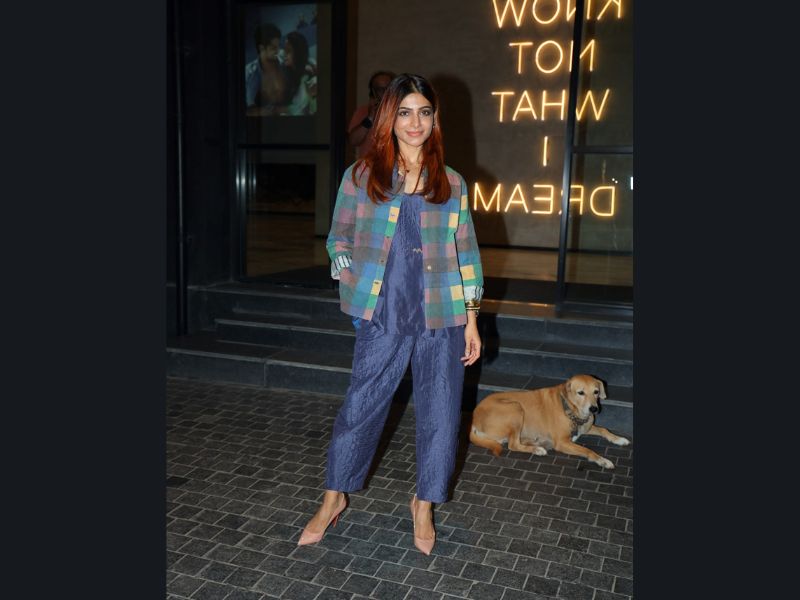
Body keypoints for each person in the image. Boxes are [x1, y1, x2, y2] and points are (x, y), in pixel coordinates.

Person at [298, 74, 484, 555]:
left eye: (424, 112)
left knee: (442, 413)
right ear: (389, 118)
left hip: (442, 314)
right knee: (360, 407)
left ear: (434, 119)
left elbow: (466, 254)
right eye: (404, 112)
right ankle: (333, 497)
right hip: (384, 312)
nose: (415, 122)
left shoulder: (452, 182)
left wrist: (472, 320)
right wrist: (349, 275)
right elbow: (338, 237)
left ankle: (424, 503)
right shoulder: (362, 176)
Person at [347, 71, 395, 158]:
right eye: (380, 89)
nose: (384, 92)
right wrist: (370, 117)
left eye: (387, 88)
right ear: (373, 91)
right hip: (368, 164)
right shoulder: (362, 111)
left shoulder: (401, 111)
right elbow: (353, 141)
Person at [244, 23, 287, 115]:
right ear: (261, 48)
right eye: (273, 48)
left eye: (279, 46)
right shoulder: (249, 73)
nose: (278, 50)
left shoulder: (283, 57)